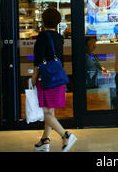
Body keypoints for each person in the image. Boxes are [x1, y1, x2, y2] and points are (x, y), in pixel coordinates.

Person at [33, 8, 77, 152]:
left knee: (46, 112)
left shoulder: (42, 36)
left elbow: (39, 60)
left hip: (45, 78)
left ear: (43, 20)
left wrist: (33, 79)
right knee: (50, 111)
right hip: (57, 77)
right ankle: (45, 139)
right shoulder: (59, 37)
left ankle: (66, 135)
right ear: (58, 21)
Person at [85, 36, 118, 110]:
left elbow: (98, 67)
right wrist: (103, 73)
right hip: (91, 80)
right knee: (112, 85)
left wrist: (104, 70)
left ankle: (116, 106)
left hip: (94, 77)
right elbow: (92, 69)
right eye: (92, 43)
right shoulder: (86, 56)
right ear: (86, 45)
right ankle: (117, 107)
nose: (95, 46)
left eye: (95, 43)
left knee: (112, 81)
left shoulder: (90, 54)